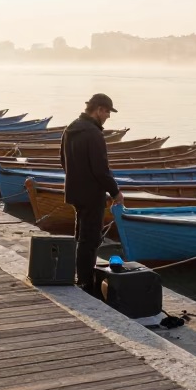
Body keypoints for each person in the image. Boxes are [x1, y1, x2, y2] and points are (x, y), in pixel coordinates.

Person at [60, 94, 125, 296]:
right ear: (98, 110)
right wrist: (116, 192)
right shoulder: (94, 134)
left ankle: (81, 276)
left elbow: (63, 161)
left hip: (74, 192)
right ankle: (86, 283)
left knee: (81, 236)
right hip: (91, 194)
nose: (107, 117)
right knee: (90, 240)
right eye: (107, 112)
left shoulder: (70, 128)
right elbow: (100, 170)